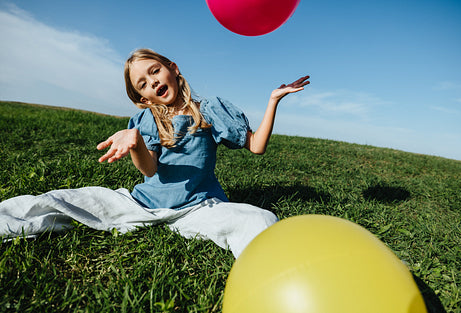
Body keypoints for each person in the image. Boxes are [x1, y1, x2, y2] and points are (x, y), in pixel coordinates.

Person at [0, 48, 309, 258]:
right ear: (143, 98)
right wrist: (134, 142)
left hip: (199, 208)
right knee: (62, 200)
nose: (153, 81)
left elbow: (256, 146)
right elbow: (149, 170)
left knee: (261, 220)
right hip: (141, 204)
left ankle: (268, 275)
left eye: (155, 71)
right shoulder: (149, 120)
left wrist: (273, 101)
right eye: (143, 83)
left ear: (172, 69)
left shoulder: (210, 111)